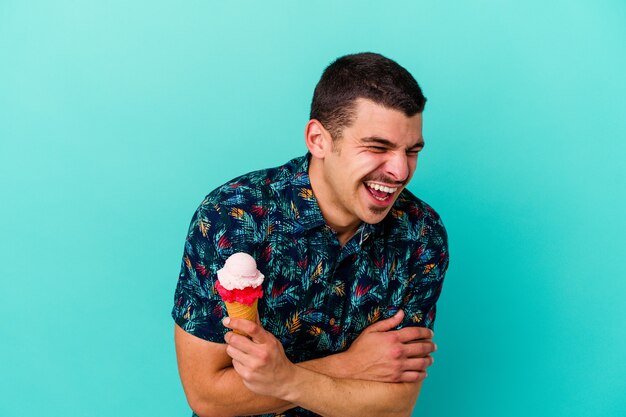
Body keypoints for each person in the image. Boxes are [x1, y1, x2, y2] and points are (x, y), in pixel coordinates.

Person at [172, 52, 449, 417]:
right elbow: (208, 396)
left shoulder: (421, 234)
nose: (400, 171)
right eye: (378, 148)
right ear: (318, 139)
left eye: (411, 151)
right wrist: (351, 365)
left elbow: (395, 404)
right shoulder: (232, 216)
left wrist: (285, 379)